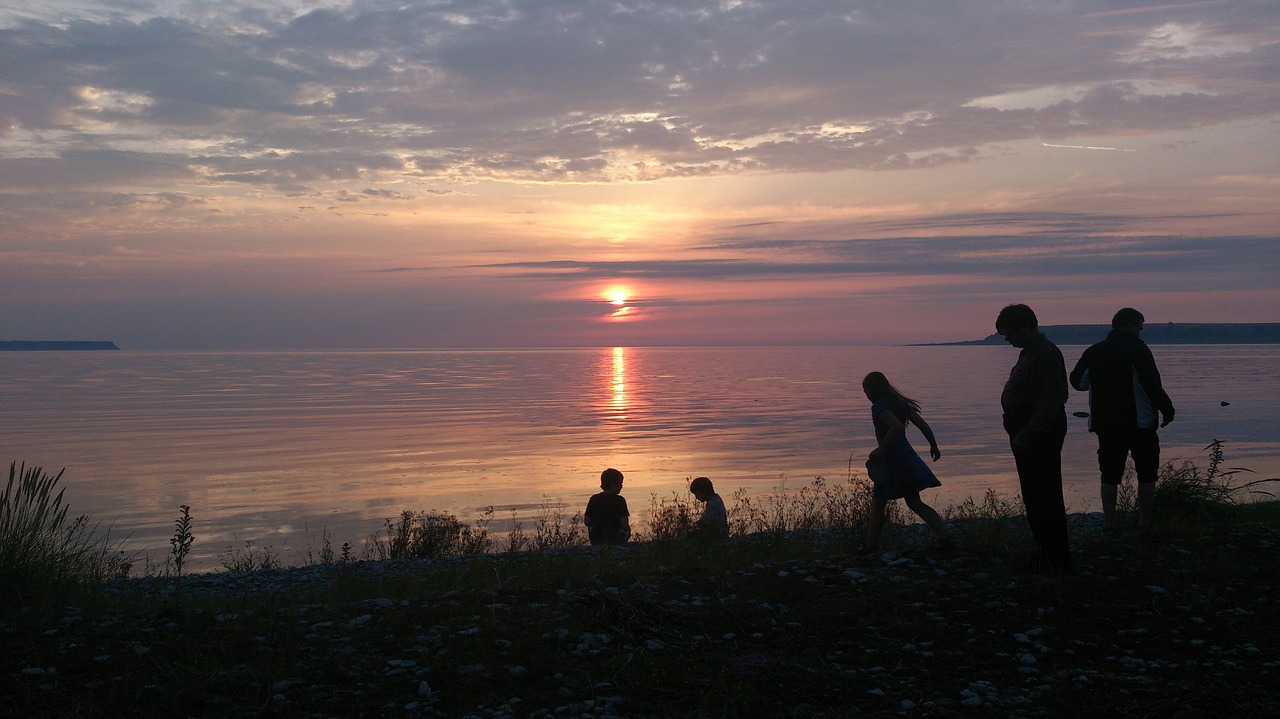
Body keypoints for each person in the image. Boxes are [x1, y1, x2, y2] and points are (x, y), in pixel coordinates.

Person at [1069, 308, 1175, 532]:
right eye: (1139, 325)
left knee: (1109, 475)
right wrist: (1167, 409)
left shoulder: (1094, 351)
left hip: (1105, 424)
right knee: (1147, 474)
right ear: (1129, 324)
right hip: (1140, 423)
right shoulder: (1139, 350)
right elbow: (1152, 385)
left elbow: (1078, 382)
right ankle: (1145, 522)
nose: (1141, 329)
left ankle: (1110, 523)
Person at [996, 304, 1073, 574]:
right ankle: (1047, 553)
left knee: (1044, 496)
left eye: (1009, 334)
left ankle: (1054, 558)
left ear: (1026, 326)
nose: (1007, 340)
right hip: (1028, 433)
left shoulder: (1044, 355)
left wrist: (1025, 436)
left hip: (1037, 436)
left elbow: (1050, 402)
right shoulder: (1031, 352)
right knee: (1036, 496)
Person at [856, 371, 954, 554]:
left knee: (879, 501)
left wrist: (881, 450)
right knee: (914, 502)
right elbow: (922, 425)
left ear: (873, 390)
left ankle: (871, 545)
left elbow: (896, 427)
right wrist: (933, 445)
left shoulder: (879, 407)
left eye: (866, 390)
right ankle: (946, 537)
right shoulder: (899, 403)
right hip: (907, 457)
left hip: (893, 461)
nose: (865, 395)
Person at [584, 468, 630, 545]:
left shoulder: (594, 499)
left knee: (592, 527)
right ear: (613, 485)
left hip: (596, 537)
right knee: (625, 529)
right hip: (615, 538)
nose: (621, 487)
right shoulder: (620, 500)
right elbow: (624, 522)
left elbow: (587, 521)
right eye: (620, 484)